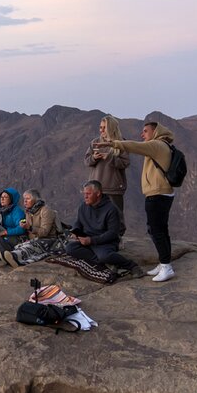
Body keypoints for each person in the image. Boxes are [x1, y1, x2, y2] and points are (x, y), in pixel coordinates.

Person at [97, 121, 176, 282]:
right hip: (161, 193)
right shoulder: (162, 145)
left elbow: (135, 146)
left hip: (157, 194)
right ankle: (164, 263)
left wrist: (114, 143)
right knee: (160, 230)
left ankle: (166, 267)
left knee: (156, 231)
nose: (142, 134)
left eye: (145, 131)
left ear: (155, 132)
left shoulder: (157, 144)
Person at [65, 180, 145, 278]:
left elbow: (113, 233)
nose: (85, 197)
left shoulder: (111, 209)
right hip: (88, 240)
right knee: (70, 248)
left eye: (88, 194)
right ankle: (106, 263)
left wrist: (91, 240)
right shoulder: (83, 206)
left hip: (105, 242)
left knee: (104, 256)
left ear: (98, 193)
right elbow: (79, 222)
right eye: (84, 194)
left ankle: (132, 266)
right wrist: (76, 231)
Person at [85, 115, 129, 235]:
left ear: (112, 128)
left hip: (114, 187)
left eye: (104, 127)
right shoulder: (95, 142)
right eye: (100, 127)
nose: (102, 130)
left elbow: (125, 163)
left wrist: (109, 157)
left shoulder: (121, 143)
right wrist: (94, 158)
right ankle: (98, 238)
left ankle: (117, 238)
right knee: (95, 216)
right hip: (96, 187)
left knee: (116, 216)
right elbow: (87, 161)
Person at [1, 189, 62, 267]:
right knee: (20, 245)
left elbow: (45, 232)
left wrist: (29, 227)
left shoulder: (46, 211)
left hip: (48, 240)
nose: (25, 201)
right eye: (24, 199)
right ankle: (10, 257)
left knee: (30, 246)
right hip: (34, 239)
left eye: (28, 199)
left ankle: (14, 258)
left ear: (36, 200)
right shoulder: (28, 212)